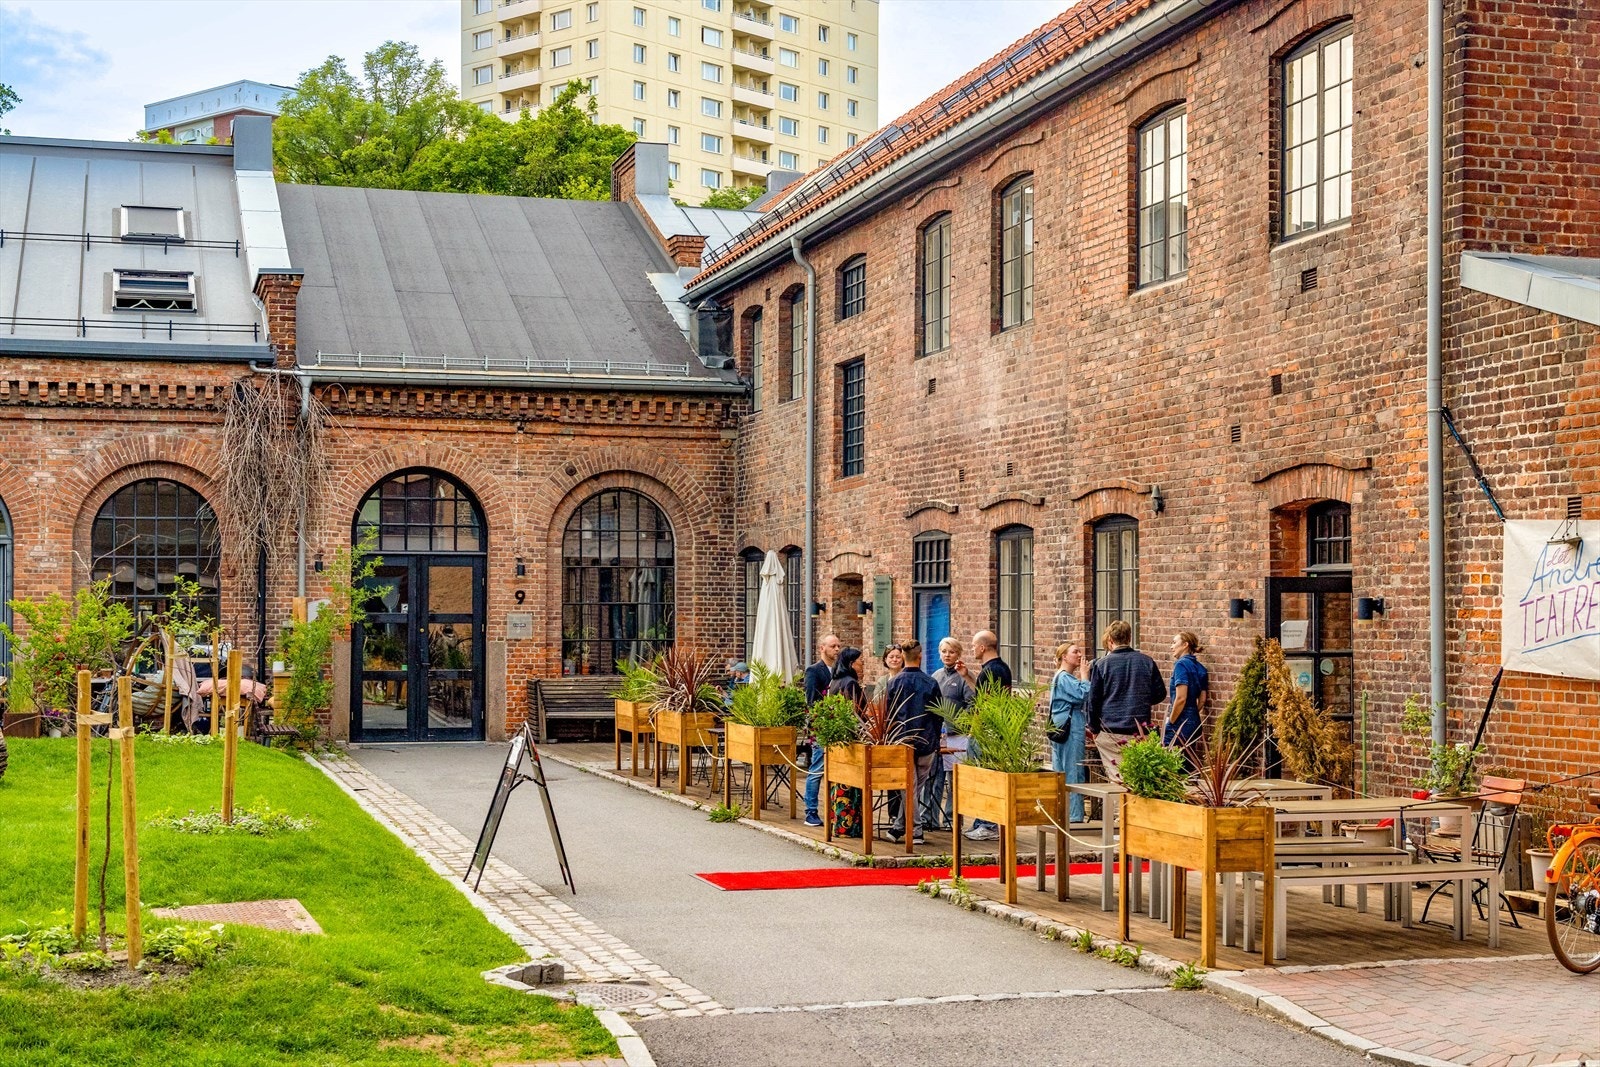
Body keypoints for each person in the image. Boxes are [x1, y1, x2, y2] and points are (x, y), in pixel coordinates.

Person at [1086, 620, 1166, 783]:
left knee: (1117, 778)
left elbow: (1093, 700)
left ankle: (1119, 808)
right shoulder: (1147, 661)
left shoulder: (1102, 665)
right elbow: (1160, 693)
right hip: (1139, 730)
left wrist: (1093, 728)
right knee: (1136, 778)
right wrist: (1140, 699)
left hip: (1110, 729)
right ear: (1129, 638)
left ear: (1110, 640)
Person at [882, 641, 941, 844]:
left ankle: (907, 829)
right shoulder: (931, 683)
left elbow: (888, 715)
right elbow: (938, 714)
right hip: (926, 741)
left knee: (909, 788)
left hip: (902, 741)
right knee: (913, 788)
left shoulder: (895, 682)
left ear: (904, 657)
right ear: (920, 656)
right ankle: (910, 828)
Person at [957, 629, 1011, 841]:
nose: (972, 649)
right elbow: (981, 694)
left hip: (986, 732)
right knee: (982, 775)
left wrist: (975, 729)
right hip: (990, 730)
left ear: (982, 647)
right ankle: (982, 822)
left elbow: (986, 704)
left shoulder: (993, 671)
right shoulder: (997, 668)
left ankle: (988, 824)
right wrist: (967, 676)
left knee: (984, 776)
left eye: (973, 645)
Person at [926, 636, 973, 832]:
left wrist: (962, 723)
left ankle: (951, 819)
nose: (947, 655)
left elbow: (972, 703)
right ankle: (931, 818)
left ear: (958, 654)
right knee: (934, 778)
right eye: (944, 651)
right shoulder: (935, 676)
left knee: (954, 780)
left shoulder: (963, 677)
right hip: (938, 735)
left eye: (951, 652)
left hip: (958, 736)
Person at [824, 647, 866, 839]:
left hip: (838, 741)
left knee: (841, 784)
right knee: (851, 786)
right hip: (851, 741)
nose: (863, 664)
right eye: (860, 661)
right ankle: (849, 826)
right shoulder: (850, 684)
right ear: (851, 663)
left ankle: (840, 825)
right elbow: (856, 714)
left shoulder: (835, 681)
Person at [1048, 642, 1092, 823]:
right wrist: (1085, 676)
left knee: (1061, 770)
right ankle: (1073, 814)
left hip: (1059, 726)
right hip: (1070, 725)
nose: (1080, 655)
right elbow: (1083, 695)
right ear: (1064, 657)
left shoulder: (1060, 677)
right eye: (1075, 652)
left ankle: (1063, 810)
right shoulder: (1066, 678)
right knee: (1073, 770)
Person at [801, 633, 841, 827]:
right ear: (822, 648)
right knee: (817, 768)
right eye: (833, 646)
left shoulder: (840, 671)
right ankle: (810, 811)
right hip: (821, 728)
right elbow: (811, 701)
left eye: (838, 646)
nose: (836, 649)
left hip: (837, 728)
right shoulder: (814, 671)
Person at [1163, 631, 1209, 758]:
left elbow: (1181, 698)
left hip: (1180, 721)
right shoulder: (1200, 668)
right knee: (1189, 763)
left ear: (1185, 645)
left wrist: (1171, 721)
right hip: (1194, 720)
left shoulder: (1181, 664)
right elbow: (1202, 700)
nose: (1171, 646)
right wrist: (1193, 711)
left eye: (1174, 642)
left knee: (1169, 761)